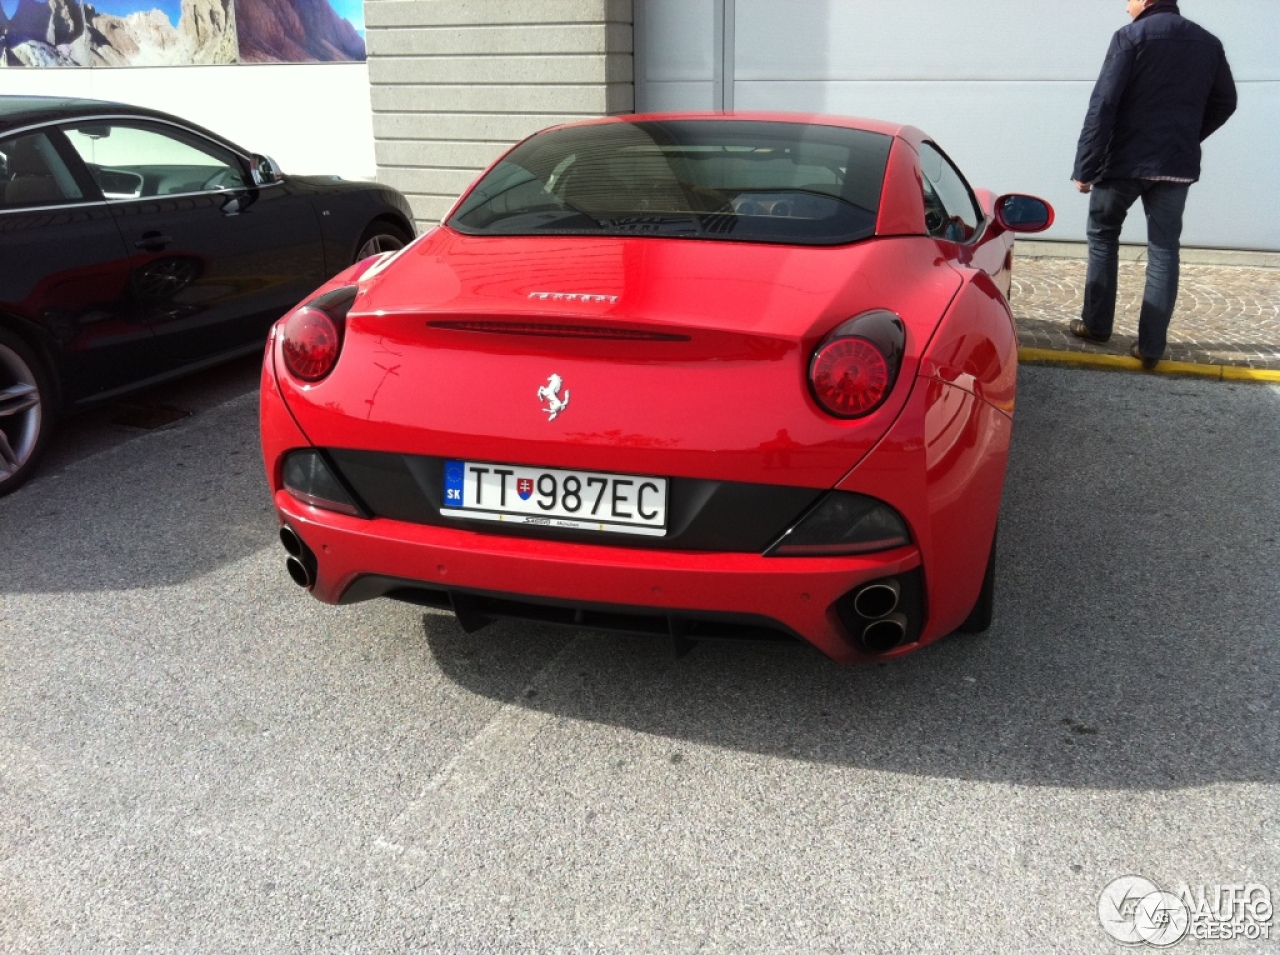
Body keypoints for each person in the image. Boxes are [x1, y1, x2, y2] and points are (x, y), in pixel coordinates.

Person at [1070, 0, 1236, 369]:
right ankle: (1151, 348)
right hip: (1175, 165)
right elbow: (1226, 101)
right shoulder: (1208, 41)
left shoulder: (1130, 37)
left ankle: (1096, 327)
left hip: (1122, 164)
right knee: (1164, 249)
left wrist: (1085, 166)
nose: (1124, 6)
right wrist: (1188, 137)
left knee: (1102, 234)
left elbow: (1104, 104)